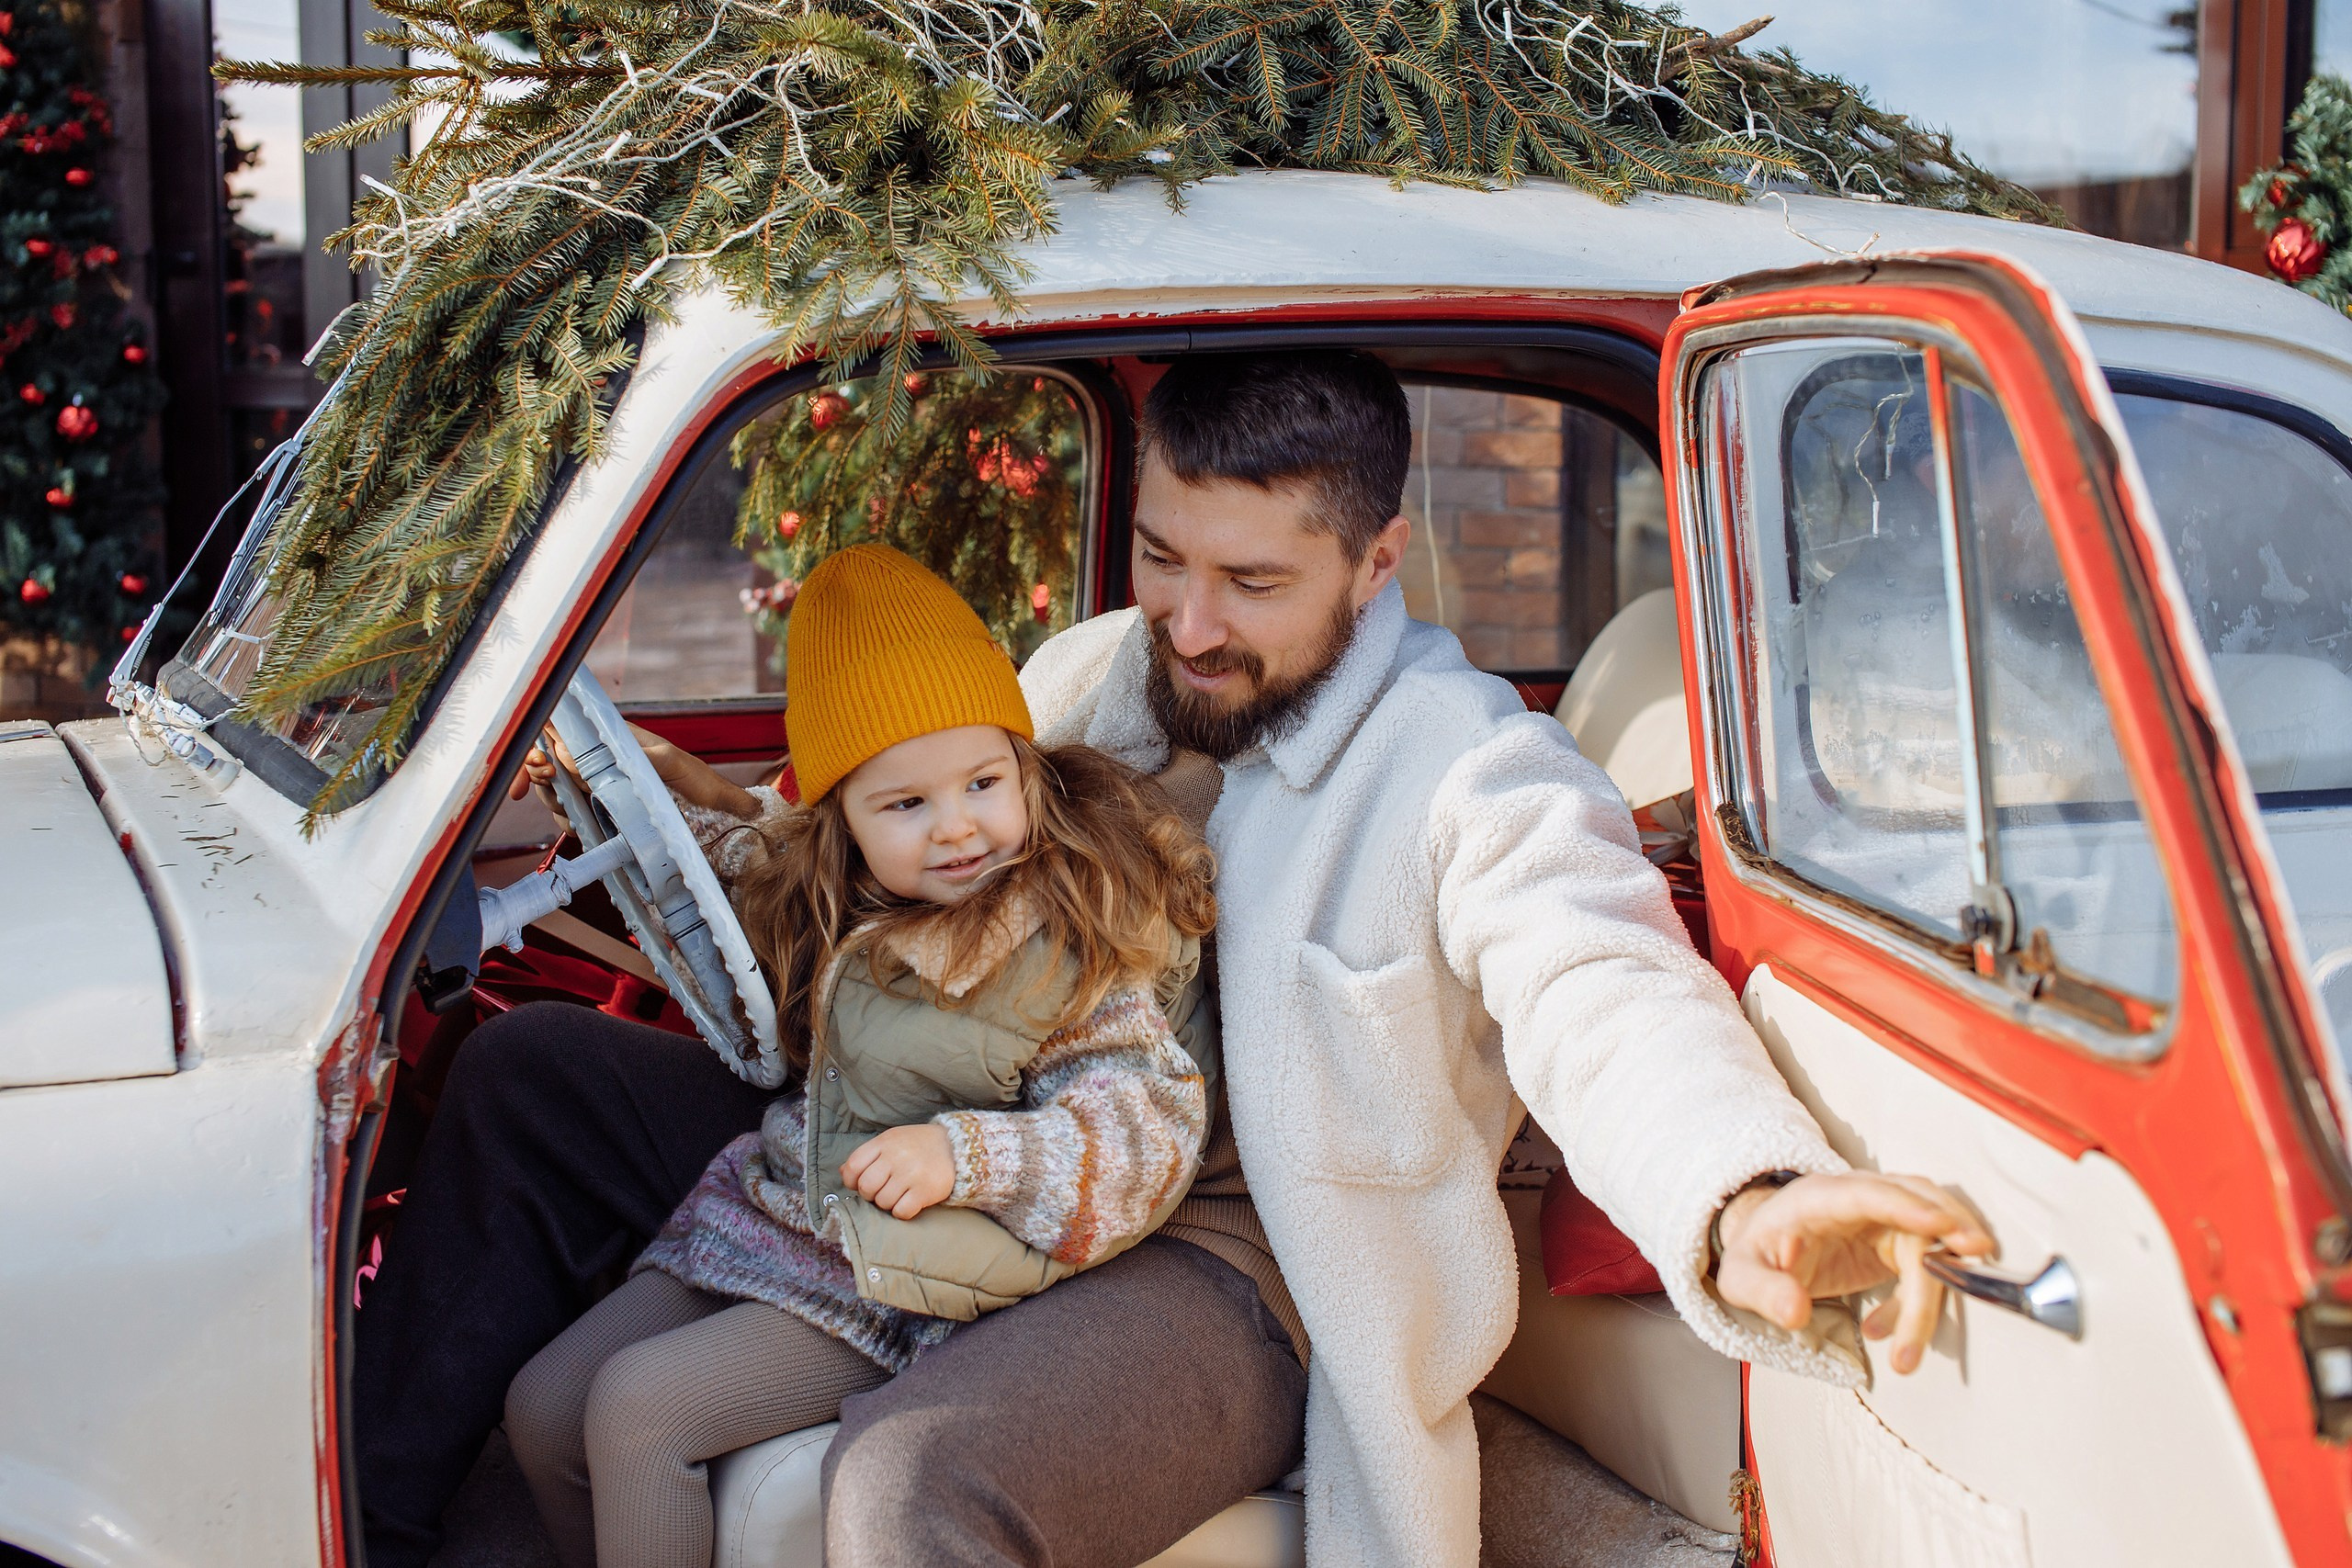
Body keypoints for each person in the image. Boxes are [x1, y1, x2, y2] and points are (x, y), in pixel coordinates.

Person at [352, 349, 1993, 1568]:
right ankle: (389, 1532)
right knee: (532, 1073)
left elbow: (1596, 983)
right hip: (965, 1108)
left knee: (910, 1481)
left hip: (1231, 1256)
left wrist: (1742, 1195)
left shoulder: (1471, 772)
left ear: (1377, 561)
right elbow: (914, 865)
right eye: (1162, 557)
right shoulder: (1093, 676)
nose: (1190, 623)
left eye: (1253, 581)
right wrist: (701, 811)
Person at [492, 545, 1221, 1568]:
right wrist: (606, 791)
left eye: (983, 782)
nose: (958, 829)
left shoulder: (1064, 932)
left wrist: (963, 1154)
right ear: (843, 818)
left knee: (636, 1410)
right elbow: (727, 863)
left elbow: (1145, 1128)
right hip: (785, 1215)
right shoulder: (844, 891)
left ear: (1024, 769)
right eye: (906, 804)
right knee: (543, 1407)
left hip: (906, 1271)